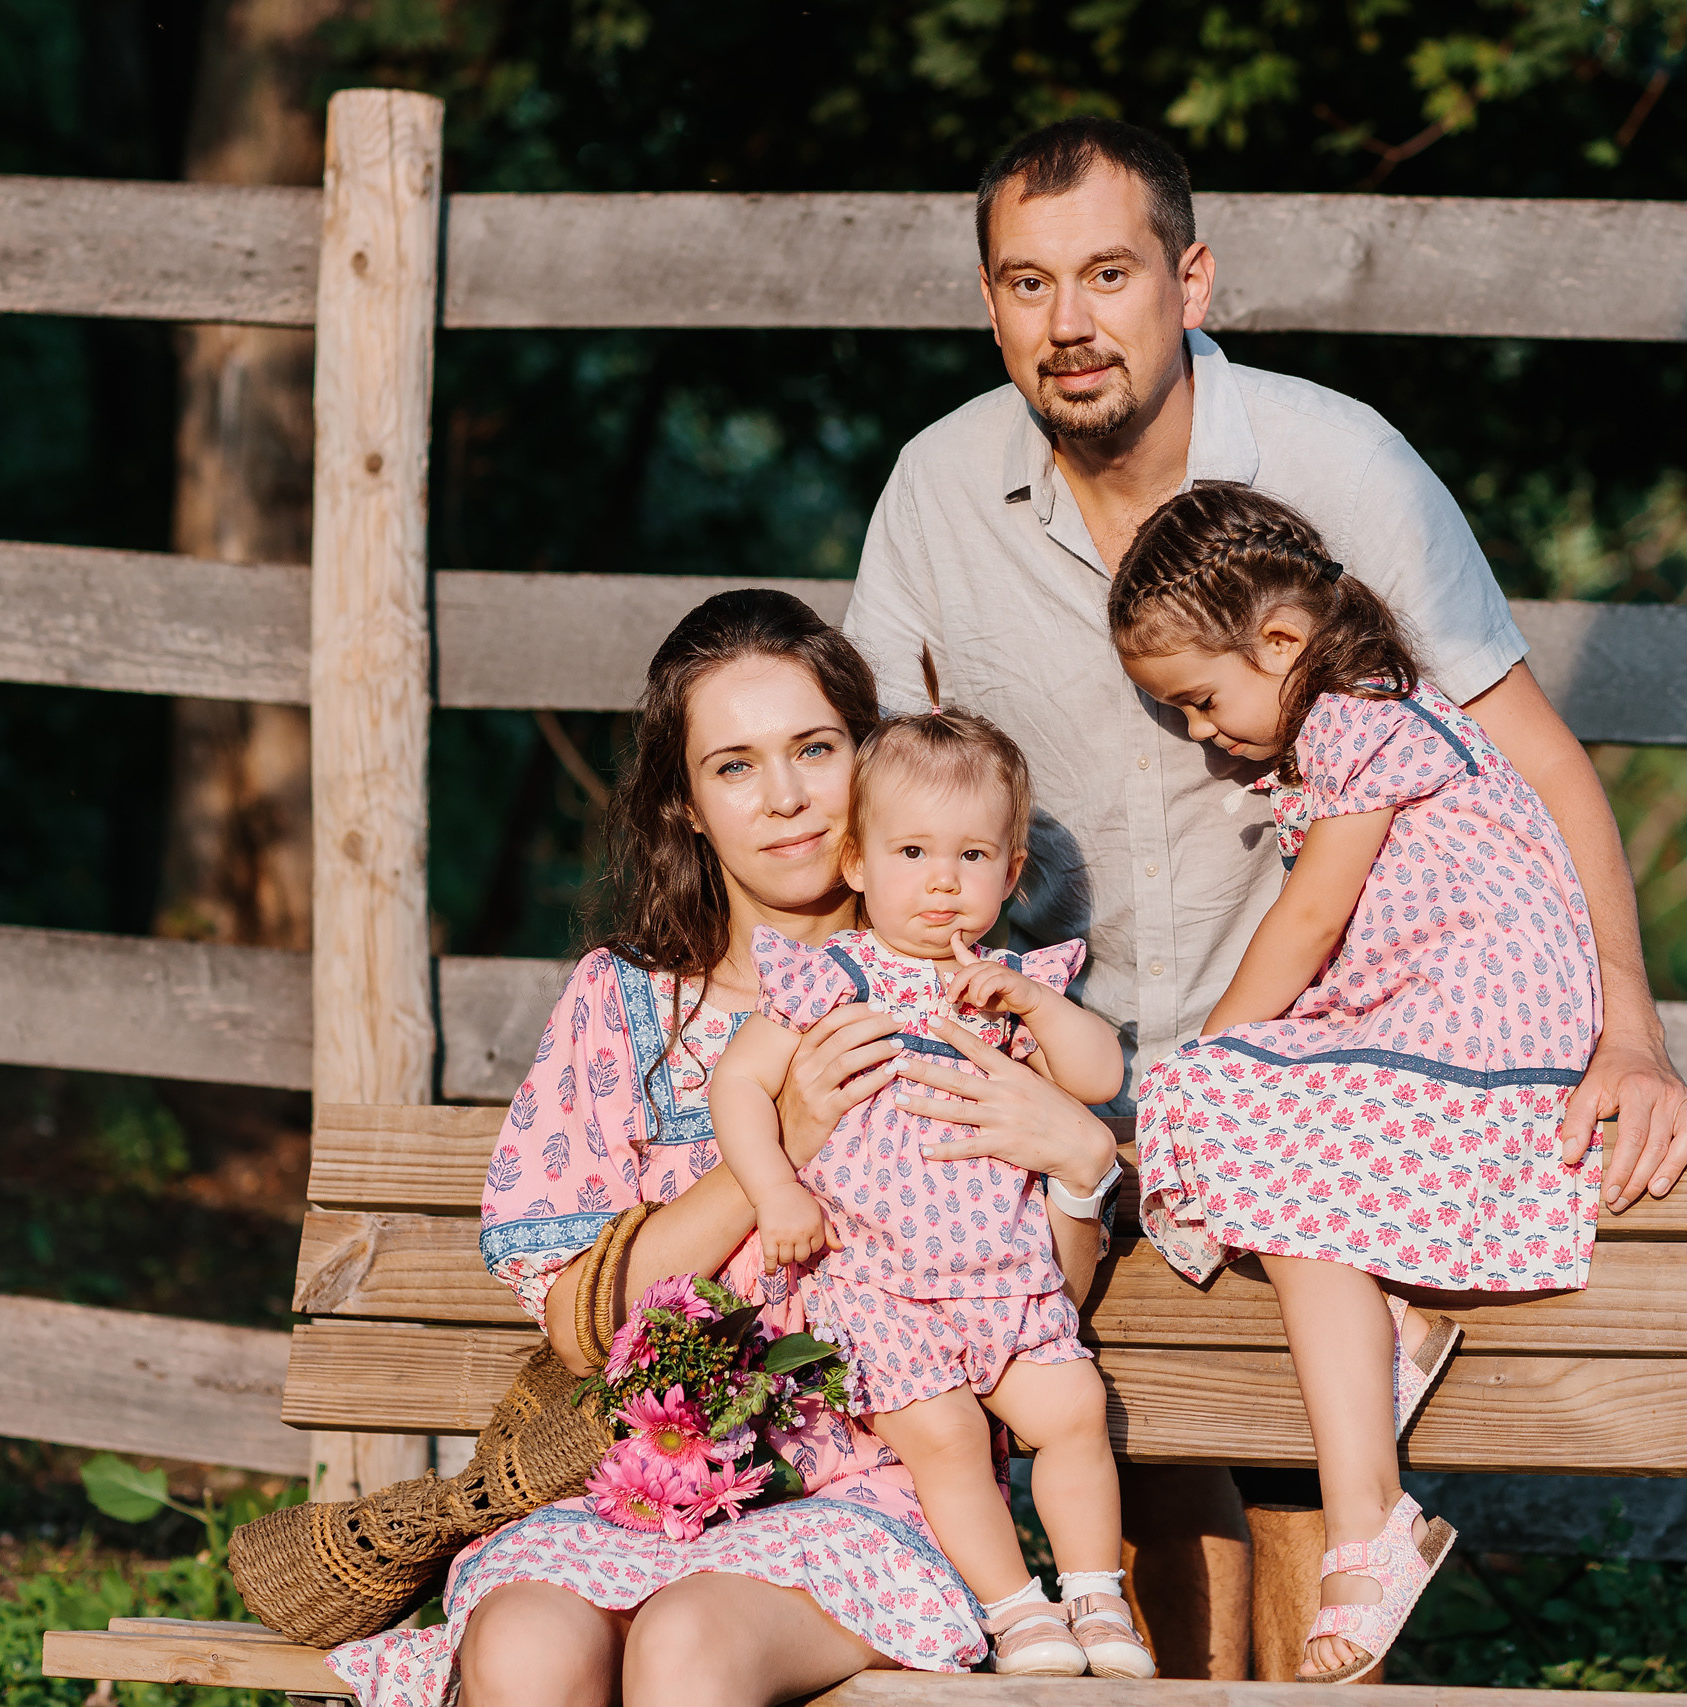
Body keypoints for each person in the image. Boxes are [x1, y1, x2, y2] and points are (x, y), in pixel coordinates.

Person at [841, 116, 1687, 1669]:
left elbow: (1537, 760)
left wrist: (1633, 1031)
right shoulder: (935, 489)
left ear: (1189, 279)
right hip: (1064, 1086)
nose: (1070, 323)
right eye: (1028, 283)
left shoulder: (1338, 465)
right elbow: (873, 795)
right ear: (989, 304)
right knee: (1126, 1526)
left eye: (1109, 273)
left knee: (1307, 1555)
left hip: (1295, 1074)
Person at [325, 590, 1122, 1707]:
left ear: (867, 759)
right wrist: (781, 1138)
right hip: (638, 1482)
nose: (787, 797)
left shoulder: (963, 999)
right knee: (522, 1651)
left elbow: (1045, 1306)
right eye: (734, 766)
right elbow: (580, 1322)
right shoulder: (627, 1006)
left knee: (688, 1650)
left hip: (871, 1485)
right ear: (687, 807)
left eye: (814, 748)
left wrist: (1080, 1165)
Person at [1114, 484, 1602, 1680]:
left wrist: (1211, 1054)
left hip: (1477, 1027)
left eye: (1201, 698)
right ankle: (1384, 1350)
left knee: (1237, 1106)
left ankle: (1366, 1524)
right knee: (1280, 1151)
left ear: (1278, 644)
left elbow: (1310, 917)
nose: (1199, 732)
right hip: (1461, 1022)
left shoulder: (1353, 720)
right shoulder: (1368, 711)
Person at [708, 668, 1151, 1678]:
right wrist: (777, 1189)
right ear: (857, 862)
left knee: (1073, 1413)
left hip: (1004, 1276)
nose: (941, 881)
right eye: (912, 853)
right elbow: (740, 1088)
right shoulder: (832, 977)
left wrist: (1035, 1010)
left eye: (970, 856)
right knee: (946, 1433)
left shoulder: (1011, 985)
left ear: (1010, 871)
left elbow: (1099, 1074)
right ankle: (1015, 1612)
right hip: (878, 1283)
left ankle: (1095, 1602)